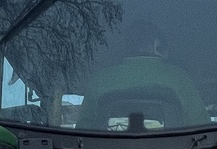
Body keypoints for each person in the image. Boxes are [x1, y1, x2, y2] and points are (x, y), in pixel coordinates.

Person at [77, 21, 207, 130]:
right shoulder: (180, 78)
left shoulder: (100, 80)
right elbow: (202, 130)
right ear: (157, 45)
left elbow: (81, 135)